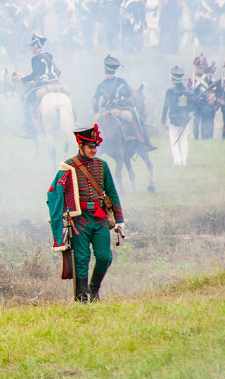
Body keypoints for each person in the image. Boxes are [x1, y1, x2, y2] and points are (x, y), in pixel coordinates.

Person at [48, 125, 125, 302]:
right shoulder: (68, 166)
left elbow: (111, 192)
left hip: (99, 219)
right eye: (90, 146)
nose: (93, 150)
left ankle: (93, 290)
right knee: (81, 259)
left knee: (105, 257)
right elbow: (54, 192)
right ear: (80, 145)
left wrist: (119, 218)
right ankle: (82, 297)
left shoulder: (102, 165)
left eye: (95, 147)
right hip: (80, 220)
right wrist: (65, 213)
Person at [91, 54, 153, 149]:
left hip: (106, 112)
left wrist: (96, 112)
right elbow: (128, 94)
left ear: (105, 69)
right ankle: (146, 143)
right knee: (138, 119)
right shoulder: (121, 81)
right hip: (120, 111)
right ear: (115, 70)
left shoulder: (100, 85)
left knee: (95, 126)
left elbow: (94, 101)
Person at [19, 33, 59, 138]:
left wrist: (23, 78)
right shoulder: (50, 55)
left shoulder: (35, 58)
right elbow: (57, 71)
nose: (31, 49)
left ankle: (30, 130)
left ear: (36, 46)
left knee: (25, 102)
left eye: (32, 46)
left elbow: (36, 75)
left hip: (42, 84)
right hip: (54, 83)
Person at [161, 66, 194, 166]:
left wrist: (163, 120)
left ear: (172, 78)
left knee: (174, 140)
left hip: (174, 119)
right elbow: (192, 105)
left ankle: (177, 161)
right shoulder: (188, 90)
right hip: (185, 119)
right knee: (184, 140)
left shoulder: (170, 90)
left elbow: (166, 106)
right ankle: (183, 161)